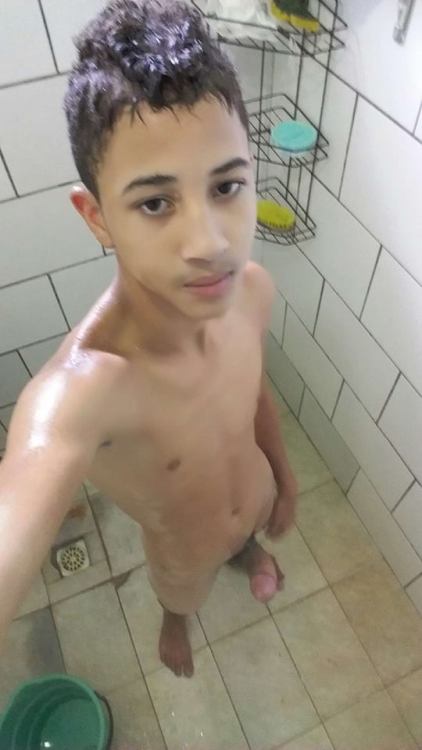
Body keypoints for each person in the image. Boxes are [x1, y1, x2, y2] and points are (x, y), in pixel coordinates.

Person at [0, 0, 297, 677]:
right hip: (183, 552)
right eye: (156, 202)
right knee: (182, 592)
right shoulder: (85, 393)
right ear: (97, 217)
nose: (210, 243)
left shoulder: (252, 290)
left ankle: (248, 551)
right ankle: (175, 623)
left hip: (250, 497)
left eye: (227, 186)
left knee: (245, 537)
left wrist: (284, 481)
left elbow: (254, 392)